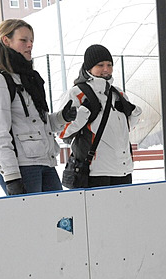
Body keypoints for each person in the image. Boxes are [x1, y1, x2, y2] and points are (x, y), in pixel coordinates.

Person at [0, 19, 77, 196]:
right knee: (33, 221)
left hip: (44, 162)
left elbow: (42, 124)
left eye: (31, 40)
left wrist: (63, 117)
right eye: (23, 40)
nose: (30, 45)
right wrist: (11, 176)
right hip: (21, 167)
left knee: (59, 218)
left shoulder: (28, 79)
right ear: (6, 41)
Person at [58, 44, 142, 188]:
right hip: (95, 172)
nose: (106, 69)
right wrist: (84, 114)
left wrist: (133, 113)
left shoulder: (117, 94)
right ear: (88, 68)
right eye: (100, 65)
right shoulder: (76, 93)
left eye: (109, 65)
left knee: (123, 210)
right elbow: (62, 131)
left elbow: (125, 130)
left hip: (123, 169)